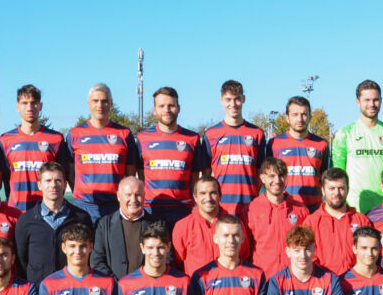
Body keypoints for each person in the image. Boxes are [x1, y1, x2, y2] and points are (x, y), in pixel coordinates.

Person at [66, 83, 139, 222]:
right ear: (88, 103)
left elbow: (130, 173)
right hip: (84, 206)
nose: (100, 105)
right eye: (95, 101)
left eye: (104, 101)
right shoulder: (74, 134)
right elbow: (70, 172)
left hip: (115, 206)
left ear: (111, 103)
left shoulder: (124, 134)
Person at [331, 80, 383, 213]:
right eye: (366, 100)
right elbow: (337, 176)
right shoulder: (345, 134)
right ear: (358, 102)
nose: (371, 104)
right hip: (354, 208)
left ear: (381, 101)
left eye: (375, 100)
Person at [136, 87, 206, 224]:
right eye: (161, 106)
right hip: (151, 209)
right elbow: (140, 175)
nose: (167, 110)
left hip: (182, 210)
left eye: (171, 105)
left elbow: (195, 177)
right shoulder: (142, 138)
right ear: (154, 110)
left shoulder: (192, 138)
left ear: (178, 108)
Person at [0, 84, 72, 212]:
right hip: (16, 211)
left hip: (48, 211)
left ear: (40, 106)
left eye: (34, 103)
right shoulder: (5, 140)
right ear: (17, 107)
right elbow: (2, 177)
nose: (29, 107)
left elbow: (64, 176)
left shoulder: (56, 139)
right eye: (24, 103)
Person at [15, 161, 92, 283]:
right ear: (39, 185)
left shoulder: (81, 218)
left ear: (65, 184)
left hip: (73, 286)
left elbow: (89, 253)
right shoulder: (26, 220)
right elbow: (21, 259)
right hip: (38, 289)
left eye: (58, 180)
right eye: (48, 181)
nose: (53, 185)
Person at [201, 79, 266, 217]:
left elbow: (261, 172)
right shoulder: (211, 134)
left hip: (250, 207)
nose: (233, 104)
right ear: (221, 100)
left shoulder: (257, 134)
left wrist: (253, 193)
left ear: (243, 99)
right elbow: (206, 175)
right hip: (221, 207)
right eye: (228, 99)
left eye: (237, 99)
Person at [245, 157, 309, 279]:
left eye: (281, 176)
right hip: (263, 278)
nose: (277, 180)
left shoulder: (301, 210)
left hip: (293, 278)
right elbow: (244, 250)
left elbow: (308, 246)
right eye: (272, 176)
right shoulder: (251, 210)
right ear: (262, 178)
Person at [303, 168, 373, 277]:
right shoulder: (311, 222)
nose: (337, 193)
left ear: (347, 189)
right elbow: (306, 255)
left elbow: (370, 254)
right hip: (324, 282)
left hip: (356, 282)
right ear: (323, 190)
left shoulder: (362, 221)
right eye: (331, 188)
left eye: (341, 188)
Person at [265, 96, 331, 212]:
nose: (300, 119)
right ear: (287, 118)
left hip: (314, 210)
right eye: (295, 114)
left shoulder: (322, 144)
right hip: (284, 208)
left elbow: (326, 179)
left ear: (310, 117)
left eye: (304, 114)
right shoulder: (274, 144)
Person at [172, 176, 242, 276]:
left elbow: (244, 255)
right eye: (203, 193)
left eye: (213, 193)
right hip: (197, 285)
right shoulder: (182, 226)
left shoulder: (235, 225)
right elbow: (178, 263)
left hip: (229, 283)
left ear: (220, 196)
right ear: (195, 197)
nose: (208, 198)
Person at [91, 177, 157, 280]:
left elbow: (165, 258)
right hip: (114, 287)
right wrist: (116, 285)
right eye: (128, 195)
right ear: (118, 196)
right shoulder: (104, 225)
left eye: (138, 195)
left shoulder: (157, 224)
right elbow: (96, 261)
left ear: (144, 196)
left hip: (147, 287)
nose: (133, 200)